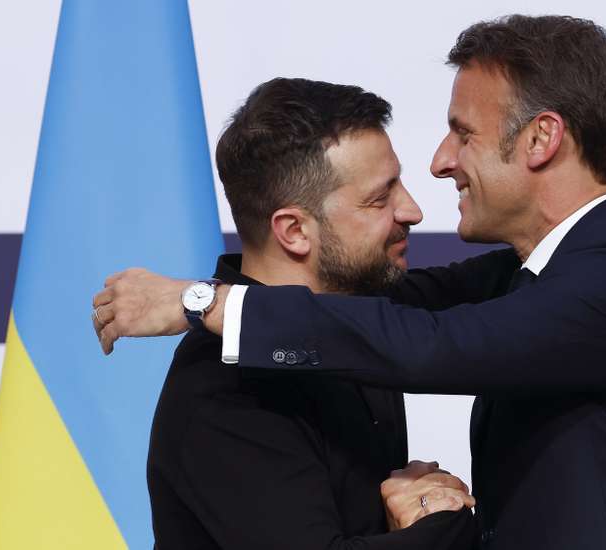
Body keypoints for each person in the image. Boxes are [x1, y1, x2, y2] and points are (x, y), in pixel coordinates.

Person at [94, 16, 606, 549]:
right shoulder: (595, 269)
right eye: (381, 196)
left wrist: (201, 302)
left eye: (464, 132)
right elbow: (427, 308)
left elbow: (432, 341)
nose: (441, 164)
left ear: (542, 139)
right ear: (293, 228)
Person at [146, 78, 484, 549]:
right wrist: (447, 524)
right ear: (294, 231)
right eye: (379, 198)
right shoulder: (224, 390)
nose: (413, 210)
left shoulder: (358, 316)